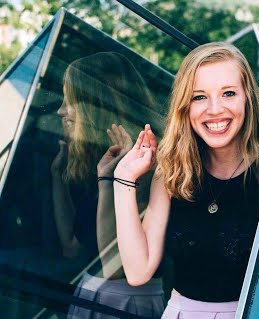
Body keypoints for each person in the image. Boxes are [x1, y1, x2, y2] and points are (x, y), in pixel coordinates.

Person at [105, 42, 259, 318]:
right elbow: (138, 272)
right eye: (199, 97)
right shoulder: (174, 169)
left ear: (248, 98)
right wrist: (123, 179)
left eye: (228, 93)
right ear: (184, 106)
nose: (214, 109)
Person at [51, 52, 165, 318]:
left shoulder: (145, 162)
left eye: (70, 101)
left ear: (95, 104)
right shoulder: (96, 159)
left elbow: (114, 266)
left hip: (125, 302)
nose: (60, 111)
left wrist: (110, 182)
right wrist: (58, 177)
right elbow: (71, 247)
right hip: (90, 293)